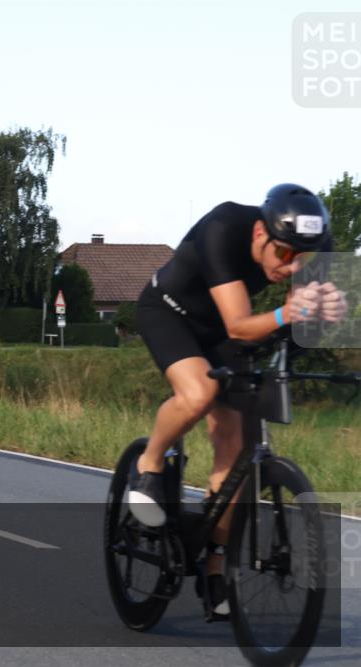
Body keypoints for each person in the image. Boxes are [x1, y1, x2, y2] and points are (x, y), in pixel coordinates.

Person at [131, 183, 348, 618]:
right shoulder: (224, 226)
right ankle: (149, 465)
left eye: (303, 259)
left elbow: (297, 330)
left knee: (236, 445)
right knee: (200, 393)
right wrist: (288, 314)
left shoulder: (314, 247)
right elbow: (240, 325)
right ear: (259, 233)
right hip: (170, 312)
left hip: (227, 330)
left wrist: (328, 317)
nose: (292, 267)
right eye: (283, 254)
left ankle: (216, 568)